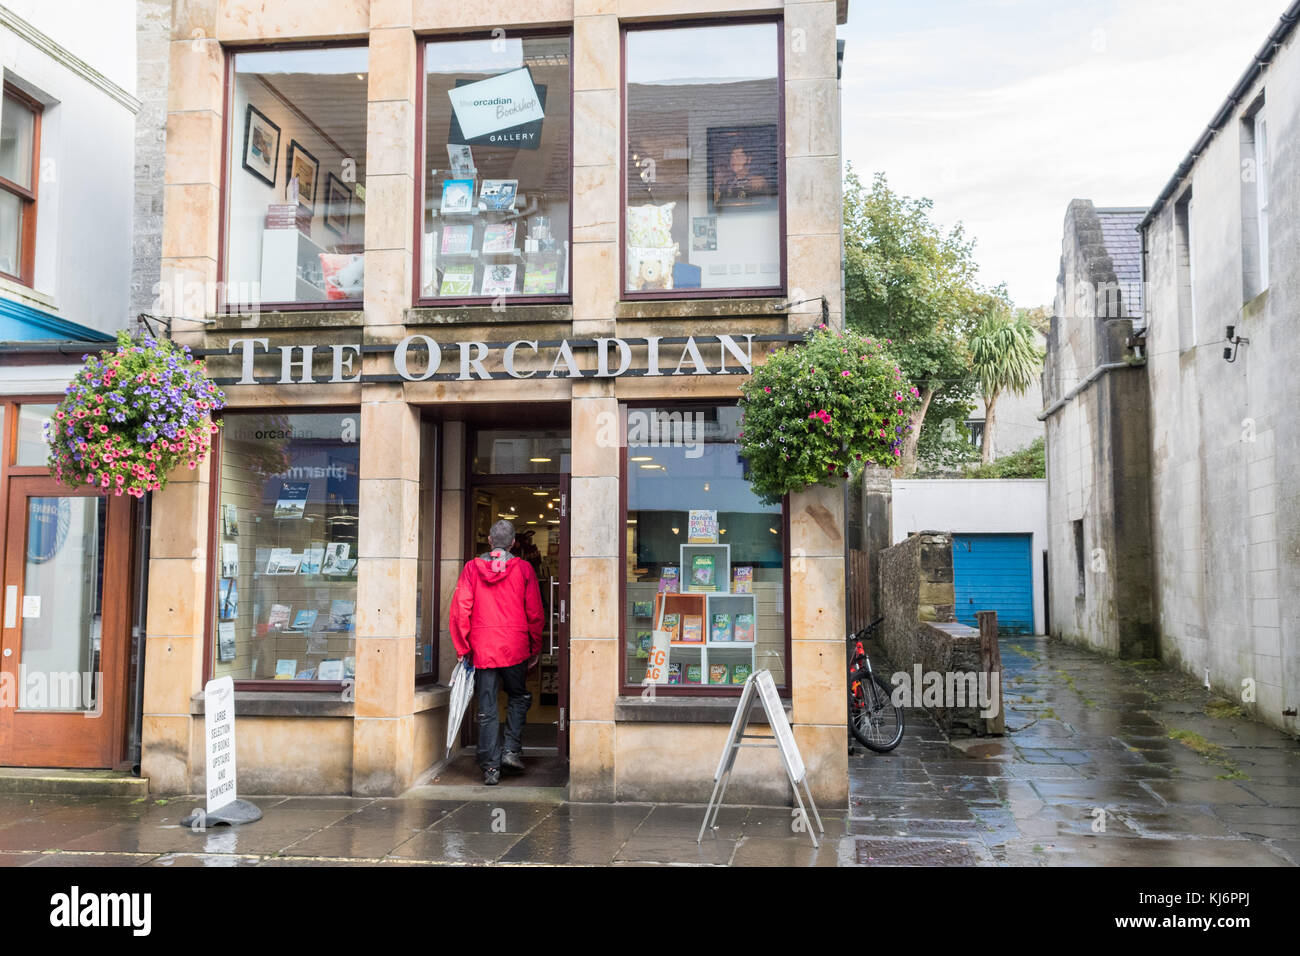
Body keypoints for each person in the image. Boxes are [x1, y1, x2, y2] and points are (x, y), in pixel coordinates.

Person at [450, 519, 544, 786]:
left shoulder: (471, 569)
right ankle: (511, 750)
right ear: (514, 543)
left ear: (490, 541)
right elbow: (535, 612)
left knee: (487, 707)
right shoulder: (524, 569)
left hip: (483, 649)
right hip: (515, 647)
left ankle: (491, 767)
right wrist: (534, 646)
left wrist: (463, 647)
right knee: (518, 696)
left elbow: (460, 609)